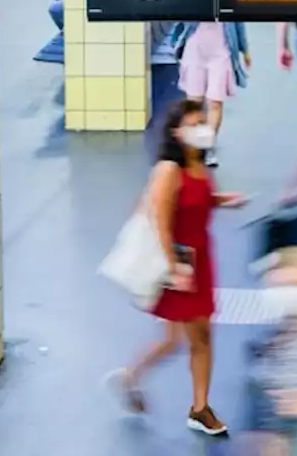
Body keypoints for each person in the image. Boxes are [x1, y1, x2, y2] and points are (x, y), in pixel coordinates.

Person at [110, 100, 249, 434]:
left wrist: (221, 200)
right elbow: (160, 219)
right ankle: (199, 408)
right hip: (181, 263)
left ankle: (132, 377)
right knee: (199, 336)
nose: (203, 128)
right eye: (194, 124)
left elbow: (196, 200)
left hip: (200, 259)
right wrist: (174, 267)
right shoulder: (169, 170)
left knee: (178, 339)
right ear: (176, 133)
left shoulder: (199, 164)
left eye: (204, 121)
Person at [172, 22, 250, 167]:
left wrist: (245, 49)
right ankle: (193, 146)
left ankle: (207, 146)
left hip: (221, 48)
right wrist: (176, 40)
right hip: (195, 47)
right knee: (194, 102)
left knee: (215, 102)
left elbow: (238, 19)